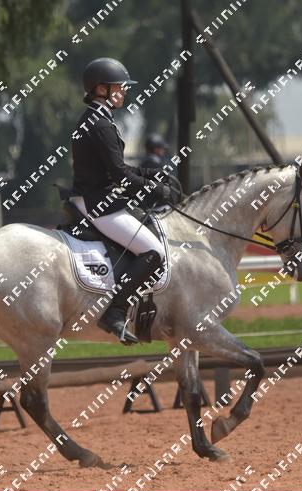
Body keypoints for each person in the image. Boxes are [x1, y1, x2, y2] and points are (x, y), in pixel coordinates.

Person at [70, 57, 180, 344]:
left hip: (92, 197)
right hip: (99, 203)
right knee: (154, 251)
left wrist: (150, 174)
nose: (124, 91)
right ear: (101, 89)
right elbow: (119, 175)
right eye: (119, 87)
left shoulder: (97, 119)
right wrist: (155, 190)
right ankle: (115, 312)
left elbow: (118, 167)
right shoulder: (100, 124)